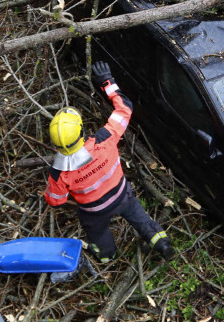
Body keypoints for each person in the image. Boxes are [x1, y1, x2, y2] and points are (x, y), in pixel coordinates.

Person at [44, 61, 175, 263]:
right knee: (141, 218)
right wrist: (108, 82)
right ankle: (161, 242)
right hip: (123, 196)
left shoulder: (59, 172)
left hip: (95, 212)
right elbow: (125, 109)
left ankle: (107, 256)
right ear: (81, 131)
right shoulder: (104, 139)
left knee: (97, 232)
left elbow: (55, 201)